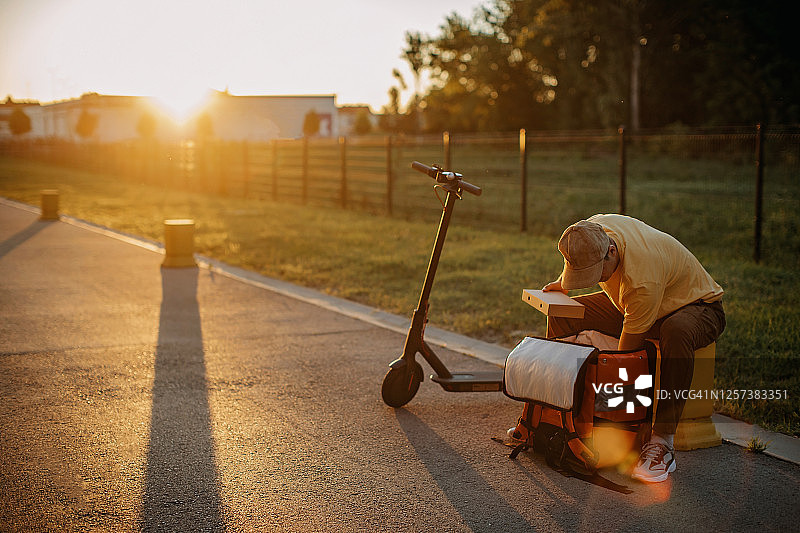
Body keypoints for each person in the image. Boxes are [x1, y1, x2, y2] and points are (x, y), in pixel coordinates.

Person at [542, 214, 725, 483]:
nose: (592, 279)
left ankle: (662, 443)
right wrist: (565, 283)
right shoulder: (591, 230)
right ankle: (554, 413)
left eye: (594, 274)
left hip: (697, 308)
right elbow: (580, 258)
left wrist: (613, 414)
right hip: (636, 305)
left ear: (611, 253)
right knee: (563, 312)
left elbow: (624, 361)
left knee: (674, 333)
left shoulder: (642, 279)